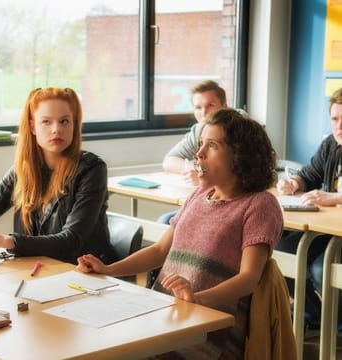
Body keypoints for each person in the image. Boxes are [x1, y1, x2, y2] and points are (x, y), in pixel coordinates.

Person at [77, 109, 283, 358]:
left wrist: (197, 299)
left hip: (208, 333)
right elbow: (160, 251)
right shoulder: (198, 195)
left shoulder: (259, 205)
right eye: (200, 144)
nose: (199, 153)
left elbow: (249, 277)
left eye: (212, 145)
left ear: (240, 155)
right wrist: (109, 269)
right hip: (168, 316)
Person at [0, 87, 118, 265]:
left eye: (64, 121)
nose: (56, 129)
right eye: (46, 122)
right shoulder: (22, 170)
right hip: (38, 269)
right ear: (33, 127)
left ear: (74, 124)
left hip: (87, 272)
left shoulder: (92, 169)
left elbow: (71, 241)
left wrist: (1, 241)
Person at [276, 86, 342, 331]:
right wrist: (294, 183)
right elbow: (308, 175)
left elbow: (332, 197)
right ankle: (315, 315)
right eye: (335, 119)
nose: (339, 127)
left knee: (319, 269)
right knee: (278, 253)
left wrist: (334, 198)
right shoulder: (330, 145)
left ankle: (338, 326)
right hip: (326, 229)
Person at [158, 80, 228, 224]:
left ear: (224, 106)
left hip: (233, 203)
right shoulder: (199, 129)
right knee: (165, 221)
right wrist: (192, 167)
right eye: (198, 107)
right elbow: (169, 161)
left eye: (210, 105)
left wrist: (206, 178)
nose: (203, 113)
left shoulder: (241, 127)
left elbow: (245, 173)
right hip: (209, 199)